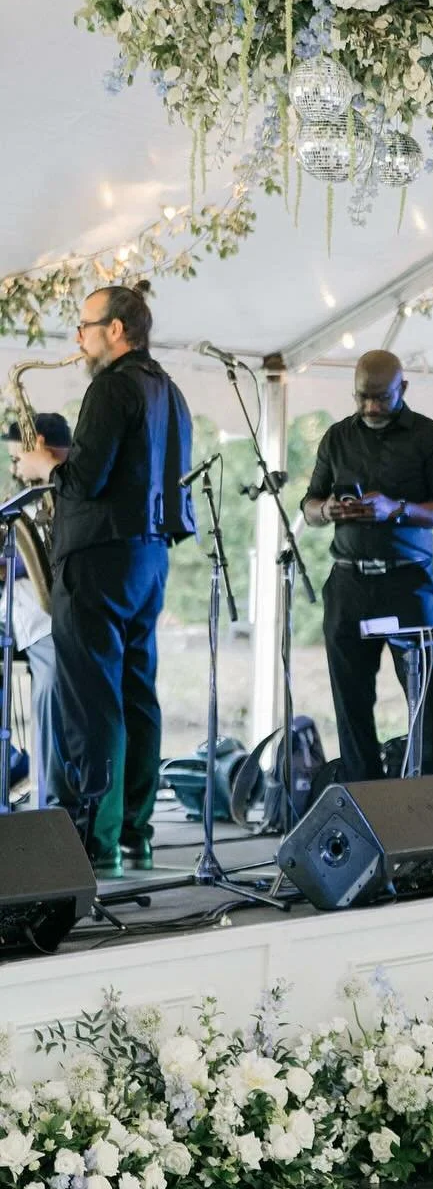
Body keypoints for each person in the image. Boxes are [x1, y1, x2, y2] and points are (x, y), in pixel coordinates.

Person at [16, 284, 194, 873]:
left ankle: (92, 838)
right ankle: (134, 834)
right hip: (148, 559)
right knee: (136, 695)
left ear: (116, 330)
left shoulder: (111, 386)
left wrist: (43, 466)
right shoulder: (169, 390)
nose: (79, 338)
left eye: (85, 325)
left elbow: (85, 482)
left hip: (97, 560)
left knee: (91, 701)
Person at [301, 350, 433, 782]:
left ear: (403, 389)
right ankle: (367, 806)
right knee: (351, 704)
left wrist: (396, 509)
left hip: (406, 581)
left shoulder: (431, 437)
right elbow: (309, 505)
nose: (371, 407)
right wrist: (329, 510)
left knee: (429, 699)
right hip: (347, 581)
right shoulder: (337, 437)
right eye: (363, 397)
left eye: (381, 398)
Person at [5, 413, 70, 805]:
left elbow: (49, 557)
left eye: (17, 456)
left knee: (50, 713)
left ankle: (51, 805)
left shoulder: (56, 494)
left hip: (48, 623)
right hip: (29, 623)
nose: (15, 464)